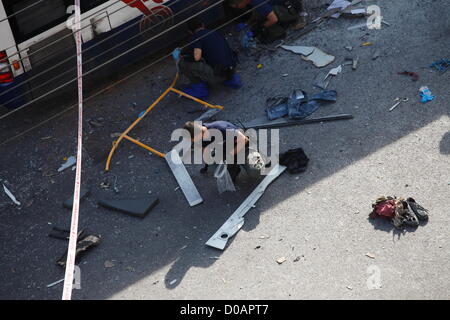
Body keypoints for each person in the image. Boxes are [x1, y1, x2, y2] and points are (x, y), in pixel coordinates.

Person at [174, 18, 242, 99]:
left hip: (219, 74)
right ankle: (231, 79)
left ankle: (199, 90)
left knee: (183, 64)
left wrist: (181, 56)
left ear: (190, 32)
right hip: (231, 69)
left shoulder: (196, 37)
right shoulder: (214, 32)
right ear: (203, 25)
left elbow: (197, 57)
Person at [183, 120, 249, 182]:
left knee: (229, 160)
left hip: (239, 143)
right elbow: (205, 149)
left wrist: (230, 155)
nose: (193, 142)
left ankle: (235, 170)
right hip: (224, 143)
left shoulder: (222, 129)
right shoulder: (199, 136)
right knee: (217, 155)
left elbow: (245, 140)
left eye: (193, 140)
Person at [228, 0, 307, 43]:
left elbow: (273, 19)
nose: (237, 8)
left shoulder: (256, 2)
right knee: (263, 14)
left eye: (237, 6)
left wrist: (261, 28)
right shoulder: (252, 2)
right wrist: (247, 23)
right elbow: (257, 12)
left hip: (292, 9)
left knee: (267, 24)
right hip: (290, 4)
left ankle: (283, 29)